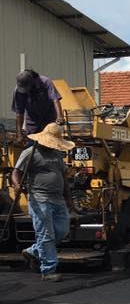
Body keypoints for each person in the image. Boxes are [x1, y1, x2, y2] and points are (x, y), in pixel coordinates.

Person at [11, 122, 75, 282]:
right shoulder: (30, 153)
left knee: (62, 231)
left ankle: (33, 251)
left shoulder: (57, 155)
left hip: (58, 199)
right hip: (40, 199)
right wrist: (18, 185)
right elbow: (15, 172)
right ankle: (48, 270)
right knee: (46, 235)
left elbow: (64, 178)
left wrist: (69, 199)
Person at [12, 70, 64, 138]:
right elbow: (19, 112)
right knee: (32, 145)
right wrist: (19, 133)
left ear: (32, 81)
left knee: (50, 143)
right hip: (32, 123)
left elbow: (55, 99)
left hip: (48, 120)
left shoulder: (45, 82)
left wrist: (60, 116)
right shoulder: (18, 91)